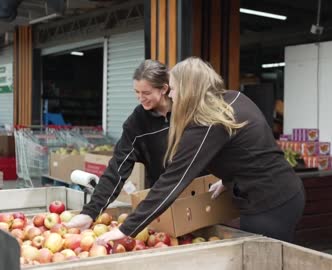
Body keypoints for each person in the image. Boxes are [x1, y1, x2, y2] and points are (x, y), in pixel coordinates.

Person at [95, 57, 305, 244]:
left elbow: (174, 179)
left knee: (264, 262)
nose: (172, 95)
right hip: (287, 191)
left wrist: (126, 228)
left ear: (188, 90)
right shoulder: (234, 98)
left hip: (269, 204)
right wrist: (228, 178)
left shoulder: (207, 124)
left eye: (174, 89)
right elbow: (252, 149)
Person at [66, 59, 172, 230]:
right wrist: (90, 212)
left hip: (202, 193)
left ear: (164, 89)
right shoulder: (137, 122)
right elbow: (117, 167)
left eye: (146, 92)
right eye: (136, 92)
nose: (140, 98)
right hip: (163, 200)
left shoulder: (185, 112)